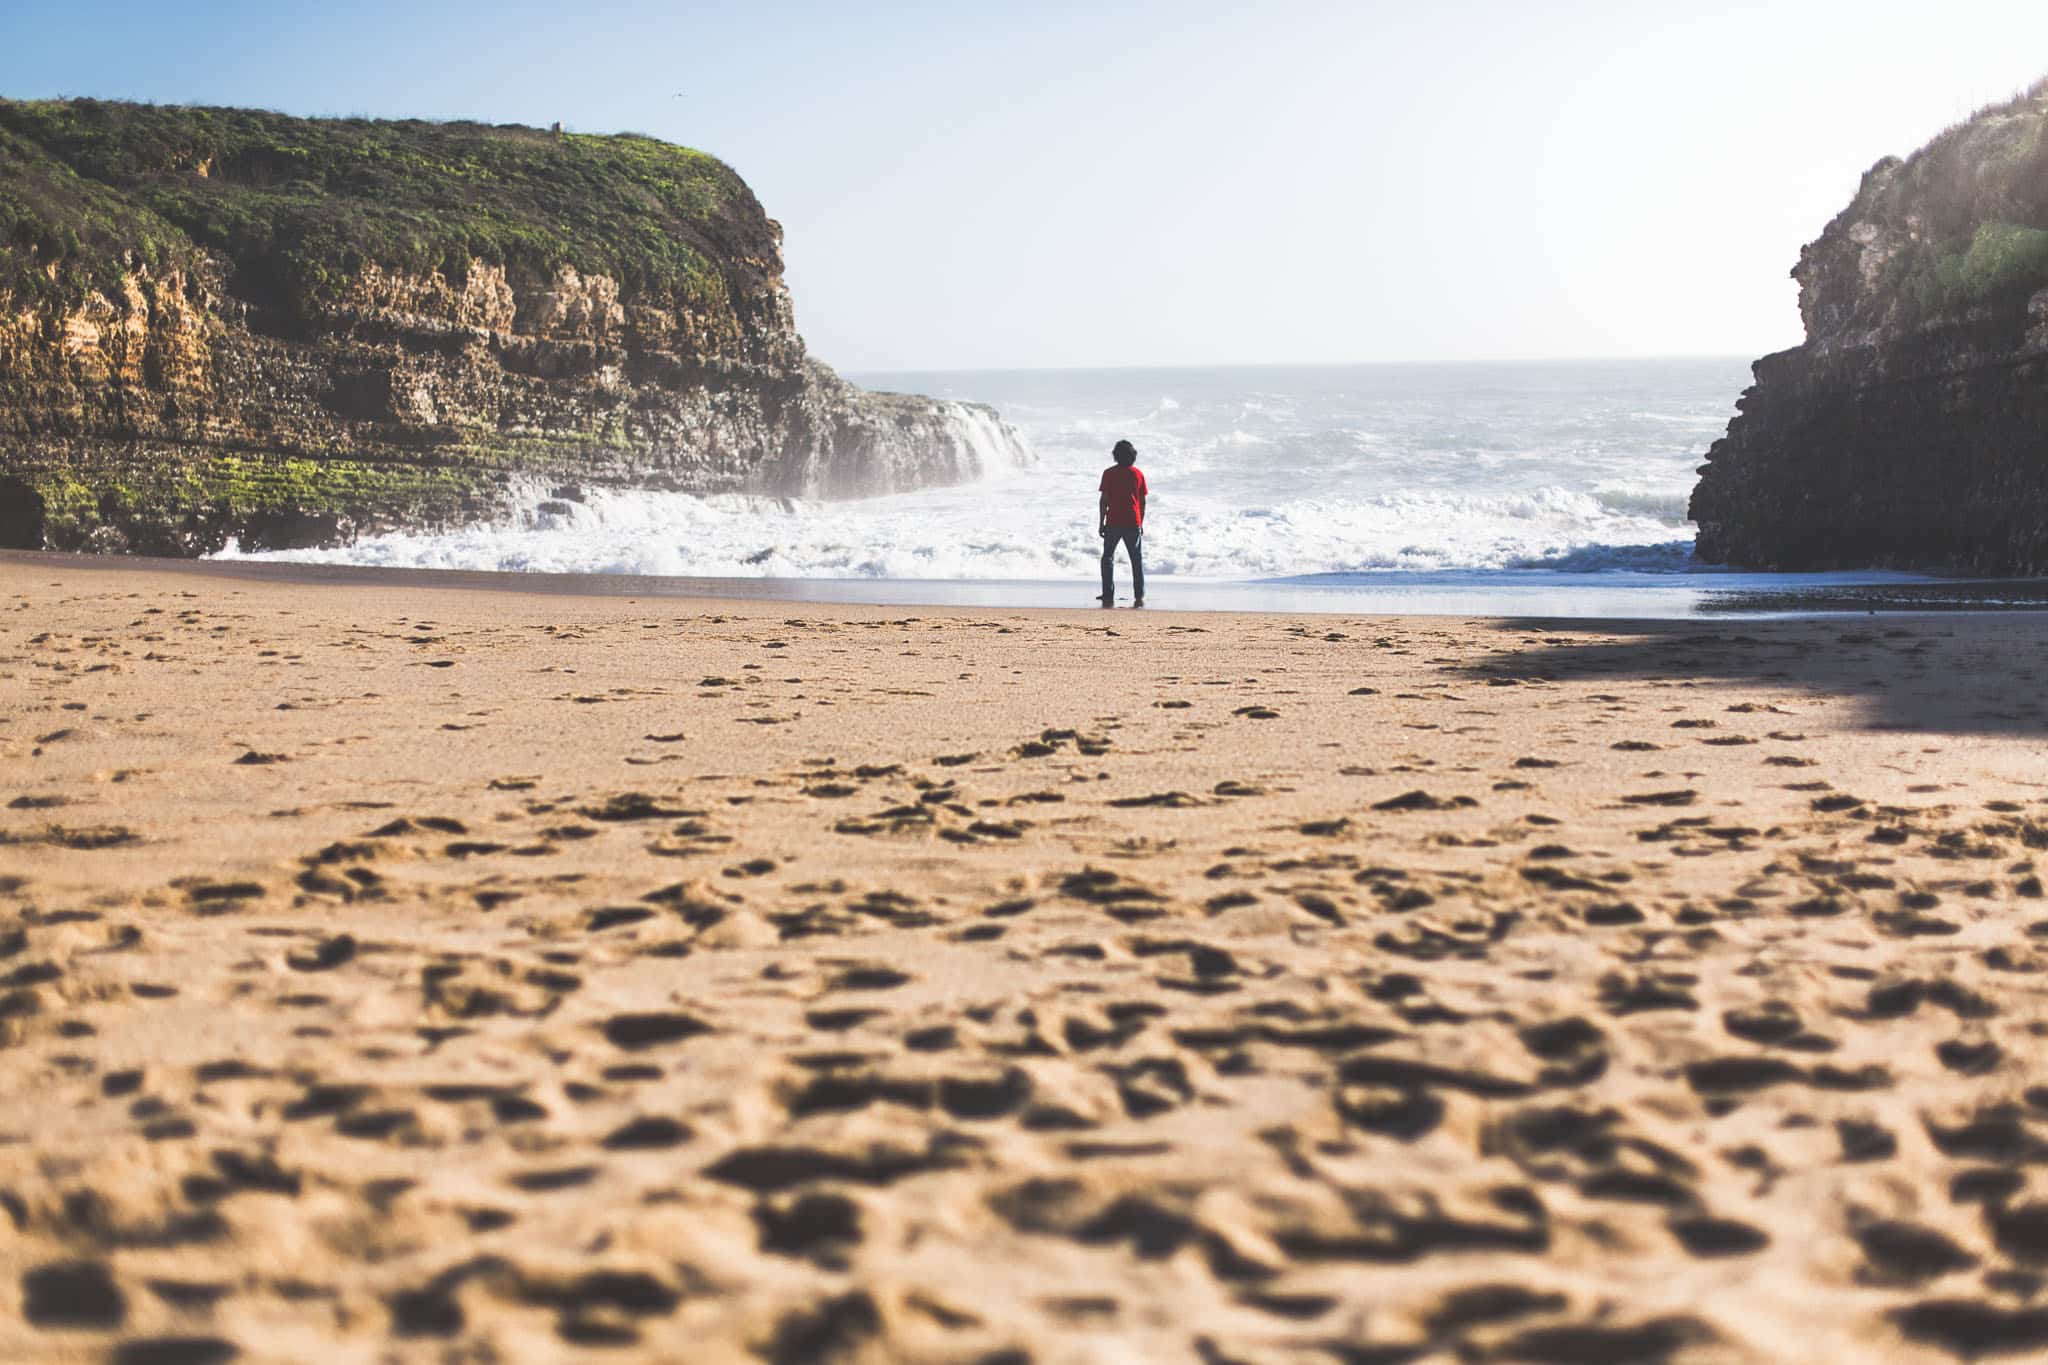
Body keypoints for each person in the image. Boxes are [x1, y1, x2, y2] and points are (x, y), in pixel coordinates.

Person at [1098, 439, 1147, 606]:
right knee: (1136, 559)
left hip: (1113, 521)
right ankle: (1139, 595)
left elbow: (1104, 500)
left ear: (1116, 456)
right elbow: (1142, 501)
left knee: (1107, 558)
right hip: (1133, 521)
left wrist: (1101, 522)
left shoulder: (1109, 473)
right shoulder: (1138, 474)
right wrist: (1141, 522)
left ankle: (1107, 593)